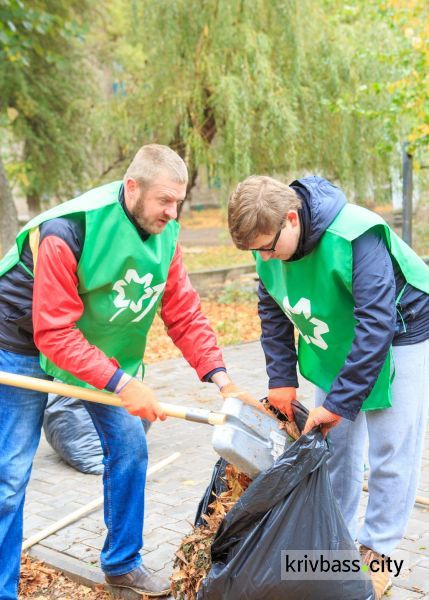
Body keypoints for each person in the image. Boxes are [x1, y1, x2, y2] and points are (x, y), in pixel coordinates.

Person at [0, 144, 257, 599]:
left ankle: (121, 563)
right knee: (10, 476)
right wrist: (122, 383)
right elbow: (54, 334)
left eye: (178, 201)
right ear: (132, 187)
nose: (173, 212)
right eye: (165, 201)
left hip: (90, 336)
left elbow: (183, 312)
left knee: (130, 447)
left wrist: (223, 380)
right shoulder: (69, 231)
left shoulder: (165, 233)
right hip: (21, 336)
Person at [227, 174, 429, 600]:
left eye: (268, 246)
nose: (265, 258)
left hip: (402, 329)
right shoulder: (268, 242)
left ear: (292, 218)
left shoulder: (356, 235)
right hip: (340, 328)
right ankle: (334, 544)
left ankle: (377, 553)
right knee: (334, 448)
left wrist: (339, 401)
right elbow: (273, 307)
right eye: (255, 251)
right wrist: (281, 379)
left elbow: (376, 325)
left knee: (390, 450)